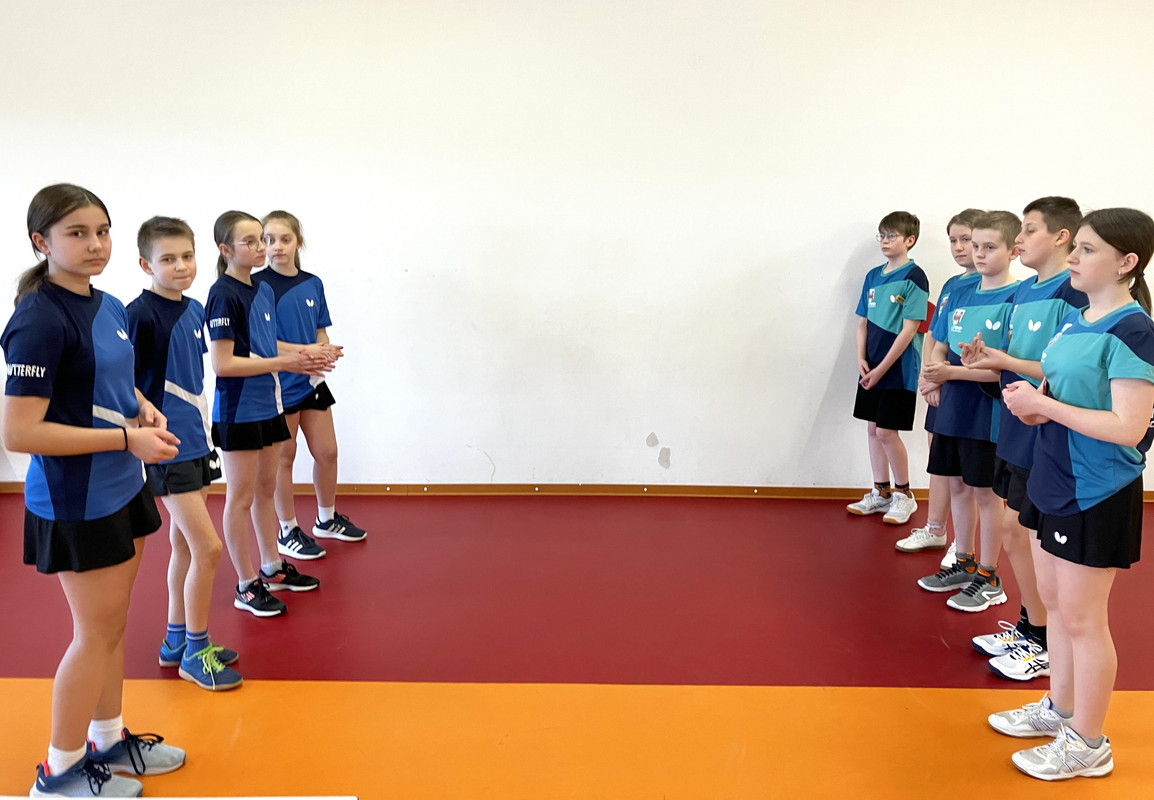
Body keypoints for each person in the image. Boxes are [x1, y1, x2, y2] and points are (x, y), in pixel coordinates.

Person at [2, 184, 185, 796]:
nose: (95, 244)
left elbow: (109, 380)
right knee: (94, 634)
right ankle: (58, 771)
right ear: (41, 241)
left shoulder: (106, 305)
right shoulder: (39, 319)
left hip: (121, 486)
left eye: (102, 231)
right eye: (77, 233)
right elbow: (20, 431)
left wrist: (142, 405)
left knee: (113, 626)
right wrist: (126, 439)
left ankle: (107, 739)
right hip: (75, 499)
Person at [991, 208, 1154, 780]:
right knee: (1056, 605)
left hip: (1096, 489)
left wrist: (1044, 405)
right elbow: (1062, 391)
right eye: (1076, 247)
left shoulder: (1134, 330)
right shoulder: (1077, 320)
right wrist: (1035, 404)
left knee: (1085, 621)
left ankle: (1089, 743)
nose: (1075, 258)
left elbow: (1129, 427)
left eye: (1088, 250)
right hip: (1052, 476)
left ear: (1127, 262)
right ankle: (1059, 710)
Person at [961, 198, 1086, 681]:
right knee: (1013, 533)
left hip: (1045, 433)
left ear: (1060, 236)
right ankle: (1031, 626)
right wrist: (987, 359)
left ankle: (1046, 643)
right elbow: (1015, 362)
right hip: (1013, 429)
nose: (1019, 239)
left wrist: (1005, 361)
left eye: (1029, 229)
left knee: (1034, 539)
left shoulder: (1072, 292)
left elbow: (1059, 370)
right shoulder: (1024, 293)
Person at [127, 216, 242, 691]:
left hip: (196, 442)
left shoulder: (195, 310)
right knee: (208, 548)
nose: (181, 266)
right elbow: (121, 382)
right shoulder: (138, 315)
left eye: (187, 256)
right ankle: (197, 650)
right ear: (145, 264)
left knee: (183, 545)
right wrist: (145, 425)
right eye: (168, 259)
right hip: (167, 449)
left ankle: (176, 639)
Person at [206, 211, 340, 616]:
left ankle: (272, 566)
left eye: (261, 240)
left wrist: (310, 354)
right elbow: (224, 364)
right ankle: (246, 585)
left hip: (269, 403)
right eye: (251, 242)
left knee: (265, 490)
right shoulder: (223, 294)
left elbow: (268, 348)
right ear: (226, 249)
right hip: (238, 409)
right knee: (240, 497)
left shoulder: (261, 290)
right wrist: (290, 362)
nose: (262, 248)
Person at [917, 211, 1019, 611]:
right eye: (975, 245)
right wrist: (933, 377)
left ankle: (990, 577)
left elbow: (1005, 368)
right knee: (957, 485)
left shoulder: (1017, 298)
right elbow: (938, 342)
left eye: (989, 247)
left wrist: (951, 373)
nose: (977, 253)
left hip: (986, 412)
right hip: (953, 407)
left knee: (986, 494)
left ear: (1013, 251)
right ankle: (964, 561)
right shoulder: (959, 291)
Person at [254, 210, 367, 553]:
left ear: (298, 243)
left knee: (328, 452)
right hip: (279, 385)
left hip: (311, 383)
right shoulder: (257, 287)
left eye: (284, 239)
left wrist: (324, 351)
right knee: (284, 457)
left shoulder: (313, 283)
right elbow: (263, 343)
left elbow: (320, 331)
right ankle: (287, 531)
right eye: (269, 240)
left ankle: (326, 519)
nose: (276, 247)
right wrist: (306, 353)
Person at [898, 209, 983, 563]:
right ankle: (935, 529)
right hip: (942, 386)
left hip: (972, 391)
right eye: (954, 240)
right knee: (940, 461)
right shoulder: (950, 285)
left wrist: (944, 374)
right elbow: (935, 334)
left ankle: (963, 544)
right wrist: (928, 376)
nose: (960, 247)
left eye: (967, 240)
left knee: (968, 476)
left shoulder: (995, 287)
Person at [846, 211, 929, 526]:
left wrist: (881, 369)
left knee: (886, 431)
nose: (884, 240)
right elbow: (862, 323)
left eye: (891, 235)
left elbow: (910, 330)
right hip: (870, 367)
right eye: (881, 235)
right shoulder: (872, 276)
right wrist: (861, 358)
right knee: (872, 429)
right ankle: (880, 492)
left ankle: (904, 495)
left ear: (909, 240)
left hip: (898, 369)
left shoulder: (915, 277)